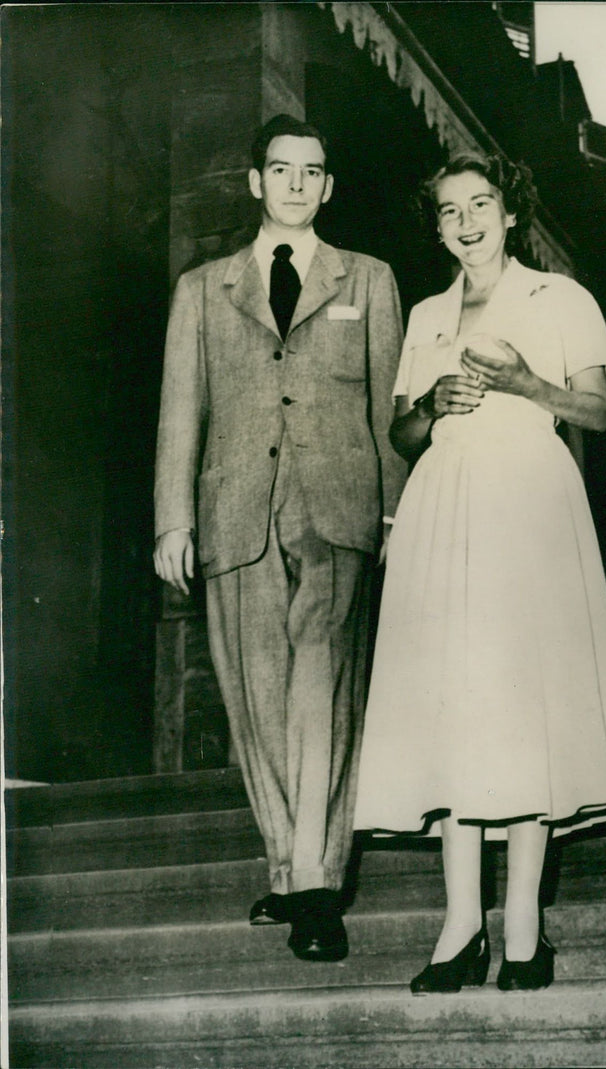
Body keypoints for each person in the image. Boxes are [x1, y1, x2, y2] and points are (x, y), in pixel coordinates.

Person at [354, 152, 606, 993]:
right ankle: (458, 927)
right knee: (455, 707)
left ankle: (523, 926)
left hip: (529, 502)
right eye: (450, 212)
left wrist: (525, 380)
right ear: (438, 226)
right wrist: (430, 406)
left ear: (510, 212)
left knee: (523, 707)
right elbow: (402, 436)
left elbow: (597, 408)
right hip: (445, 507)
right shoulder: (426, 312)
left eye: (481, 205)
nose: (467, 222)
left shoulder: (561, 299)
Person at [153, 114, 406, 963]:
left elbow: (388, 413)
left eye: (313, 171)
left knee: (322, 693)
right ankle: (285, 857)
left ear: (328, 187)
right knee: (256, 699)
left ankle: (318, 879)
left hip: (339, 511)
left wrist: (397, 514)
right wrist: (172, 520)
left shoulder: (369, 280)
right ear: (255, 182)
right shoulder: (202, 288)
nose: (297, 184)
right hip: (236, 513)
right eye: (281, 169)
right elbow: (180, 414)